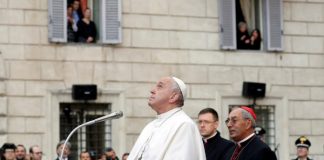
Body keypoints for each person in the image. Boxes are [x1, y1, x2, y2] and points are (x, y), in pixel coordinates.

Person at [128, 76, 206, 160]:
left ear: (173, 97)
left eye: (160, 86)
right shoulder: (150, 126)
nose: (152, 90)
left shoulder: (184, 125)